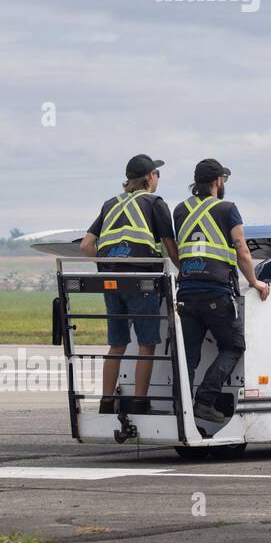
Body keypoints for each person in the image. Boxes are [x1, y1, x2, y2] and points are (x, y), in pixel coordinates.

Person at [79, 154, 181, 414]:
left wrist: (105, 268)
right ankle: (139, 402)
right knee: (147, 344)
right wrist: (187, 273)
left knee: (117, 344)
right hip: (140, 282)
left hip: (111, 282)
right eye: (157, 174)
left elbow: (86, 245)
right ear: (149, 177)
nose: (157, 178)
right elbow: (171, 249)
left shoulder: (110, 204)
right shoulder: (155, 203)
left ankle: (106, 401)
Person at [172, 158, 270, 423]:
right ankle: (205, 400)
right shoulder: (228, 209)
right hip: (215, 292)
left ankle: (179, 406)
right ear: (217, 181)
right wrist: (255, 282)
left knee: (189, 355)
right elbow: (241, 248)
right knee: (233, 345)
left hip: (186, 291)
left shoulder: (180, 210)